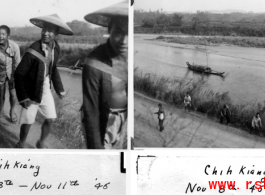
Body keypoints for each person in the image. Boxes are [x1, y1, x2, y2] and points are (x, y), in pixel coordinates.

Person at [14, 14, 74, 148]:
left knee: (51, 118)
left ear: (57, 33)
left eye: (50, 31)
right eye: (44, 30)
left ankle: (41, 142)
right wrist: (23, 97)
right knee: (28, 120)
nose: (46, 33)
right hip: (31, 90)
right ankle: (21, 143)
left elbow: (53, 68)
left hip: (45, 88)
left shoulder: (56, 48)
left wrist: (60, 89)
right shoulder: (34, 49)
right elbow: (19, 73)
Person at [82, 0, 128, 149]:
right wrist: (96, 149)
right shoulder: (94, 63)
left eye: (129, 33)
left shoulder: (133, 56)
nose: (124, 41)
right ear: (110, 29)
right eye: (119, 32)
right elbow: (91, 111)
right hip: (106, 118)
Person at [0, 25, 20, 122]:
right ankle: (0, 112)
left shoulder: (14, 46)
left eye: (3, 34)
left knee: (13, 94)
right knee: (1, 95)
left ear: (8, 36)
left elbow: (17, 63)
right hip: (0, 74)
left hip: (12, 73)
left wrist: (15, 77)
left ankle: (12, 111)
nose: (0, 36)